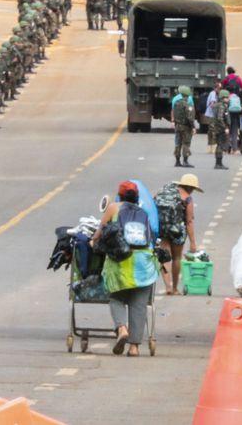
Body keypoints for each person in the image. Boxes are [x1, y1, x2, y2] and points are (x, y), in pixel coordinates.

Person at [91, 182, 158, 357]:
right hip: (144, 264)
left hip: (121, 262)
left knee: (116, 297)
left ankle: (122, 328)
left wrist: (92, 241)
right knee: (139, 305)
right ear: (137, 197)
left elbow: (100, 232)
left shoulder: (113, 207)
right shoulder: (143, 213)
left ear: (120, 196)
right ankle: (134, 347)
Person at [154, 173, 203, 295]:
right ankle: (175, 288)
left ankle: (167, 287)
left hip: (163, 229)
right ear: (191, 187)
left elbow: (152, 202)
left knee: (164, 257)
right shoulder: (187, 198)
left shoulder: (163, 192)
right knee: (176, 258)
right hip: (178, 231)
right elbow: (189, 221)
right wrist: (192, 243)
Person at [172, 86, 196, 167]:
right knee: (186, 143)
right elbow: (190, 118)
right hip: (185, 127)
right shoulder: (188, 105)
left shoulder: (176, 103)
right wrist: (193, 127)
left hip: (177, 126)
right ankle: (185, 161)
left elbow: (174, 114)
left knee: (178, 143)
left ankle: (177, 161)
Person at [208, 93, 230, 170]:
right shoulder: (221, 106)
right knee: (220, 145)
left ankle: (218, 163)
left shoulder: (217, 105)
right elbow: (220, 118)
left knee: (219, 145)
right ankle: (218, 163)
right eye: (226, 97)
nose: (228, 99)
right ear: (223, 98)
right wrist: (225, 128)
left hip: (216, 128)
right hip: (220, 128)